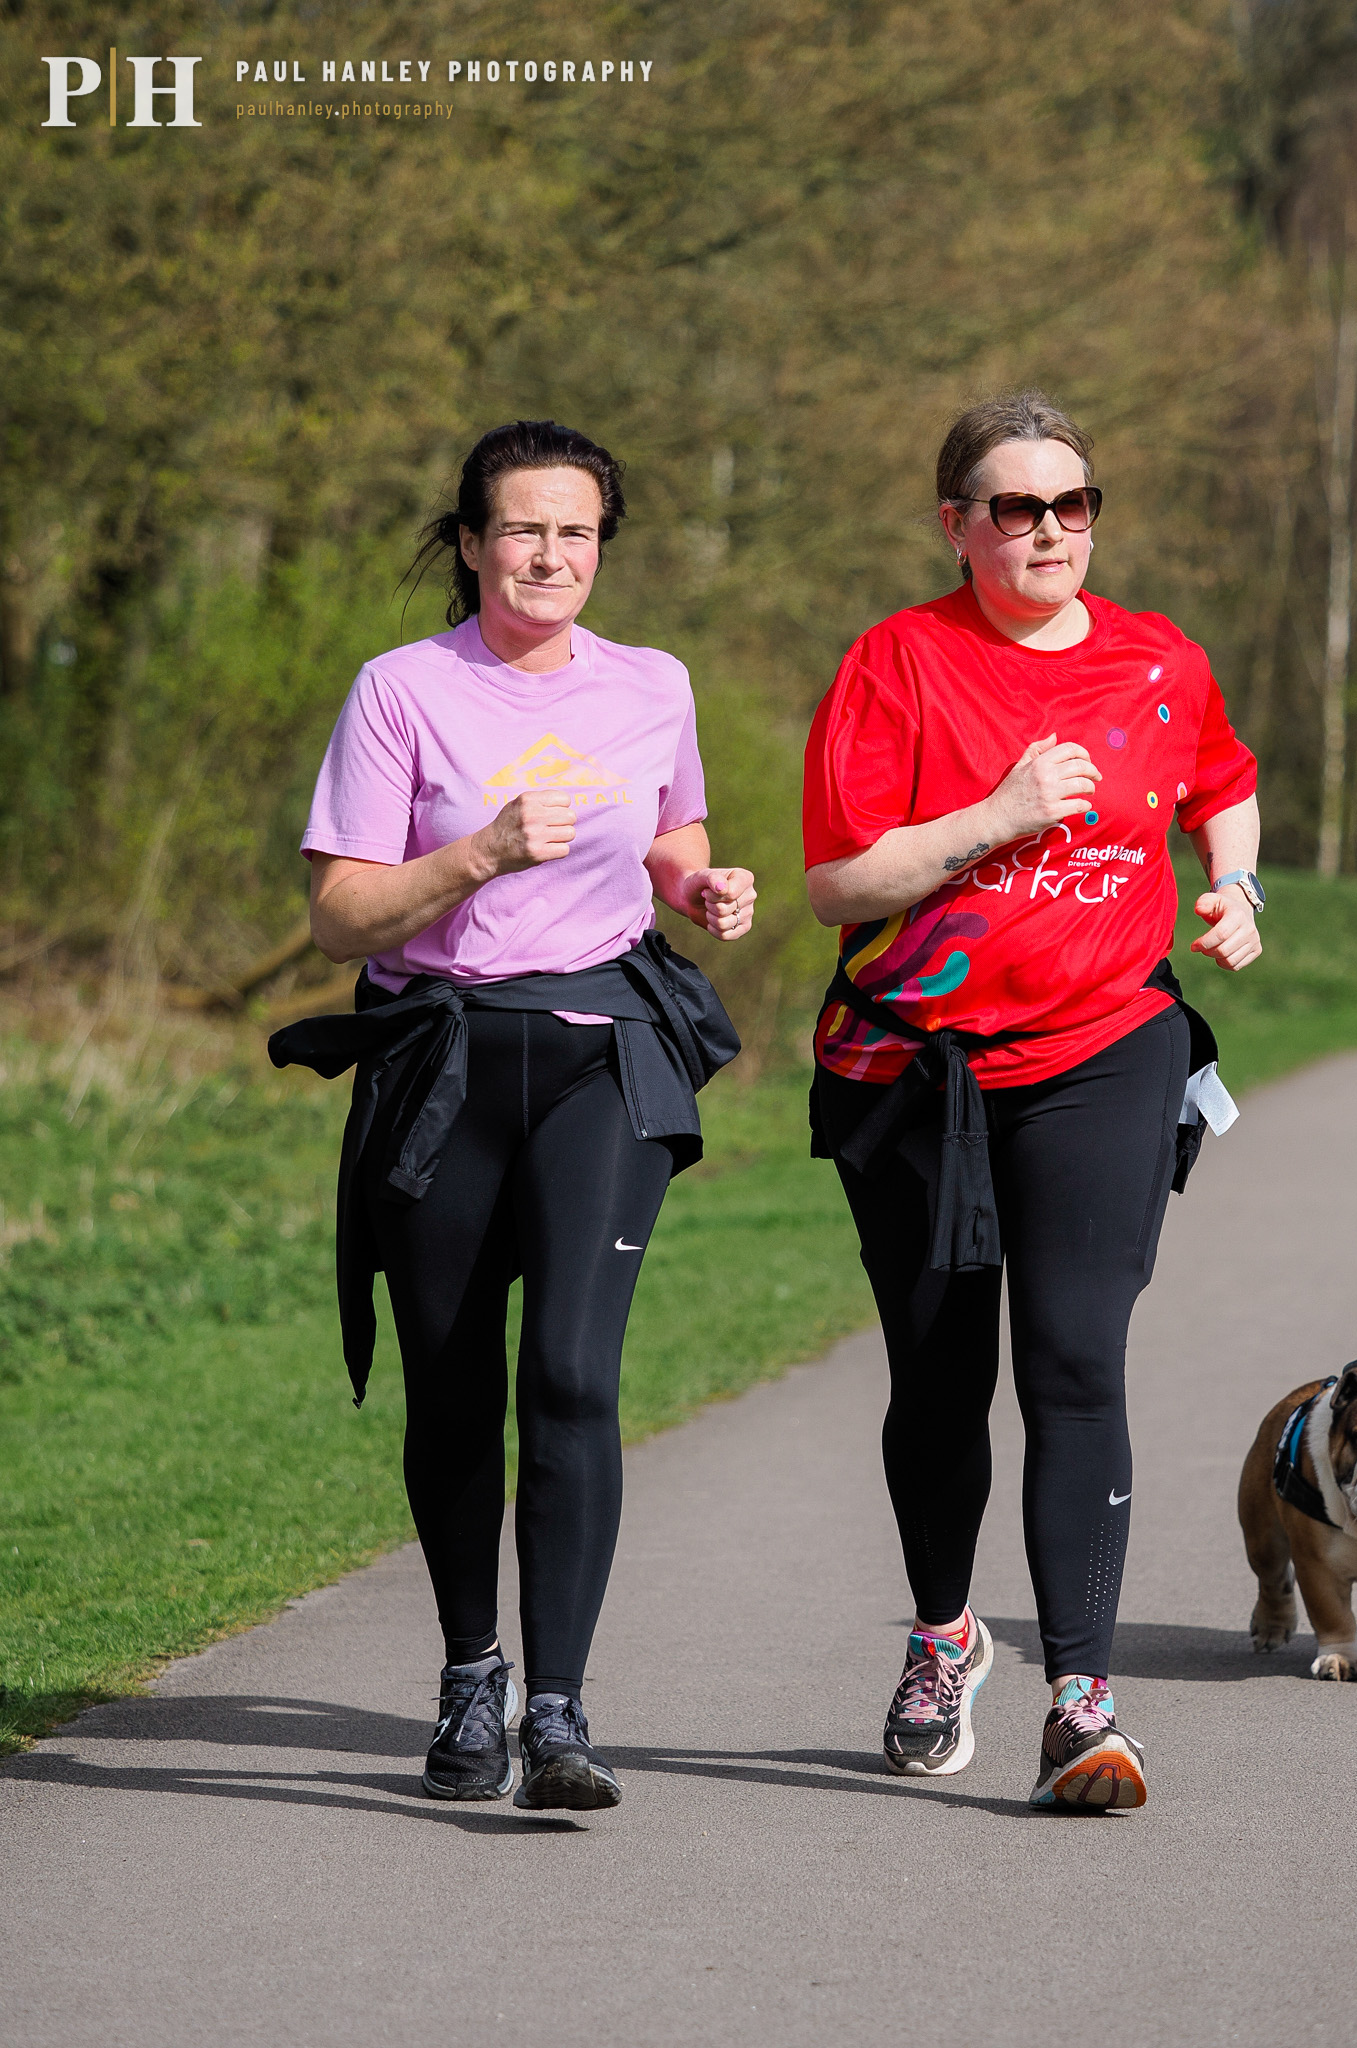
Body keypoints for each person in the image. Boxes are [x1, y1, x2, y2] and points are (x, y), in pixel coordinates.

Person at [270, 420, 755, 1812]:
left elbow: (667, 832)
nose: (550, 555)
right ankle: (471, 1673)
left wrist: (698, 887)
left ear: (603, 547)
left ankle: (559, 1710)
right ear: (474, 542)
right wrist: (478, 852)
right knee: (454, 1386)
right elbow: (338, 914)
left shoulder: (652, 683)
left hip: (602, 1055)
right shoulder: (403, 690)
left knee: (574, 1378)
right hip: (444, 1065)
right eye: (524, 529)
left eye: (576, 532)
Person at [802, 390, 1261, 1810]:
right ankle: (947, 1637)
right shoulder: (899, 662)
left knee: (1072, 1359)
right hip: (919, 1068)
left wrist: (1238, 884)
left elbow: (1223, 782)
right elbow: (839, 883)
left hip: (1105, 1046)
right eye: (1017, 507)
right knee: (941, 1382)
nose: (1051, 529)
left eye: (1074, 504)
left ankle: (1083, 1703)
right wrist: (997, 817)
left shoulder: (1159, 658)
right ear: (959, 525)